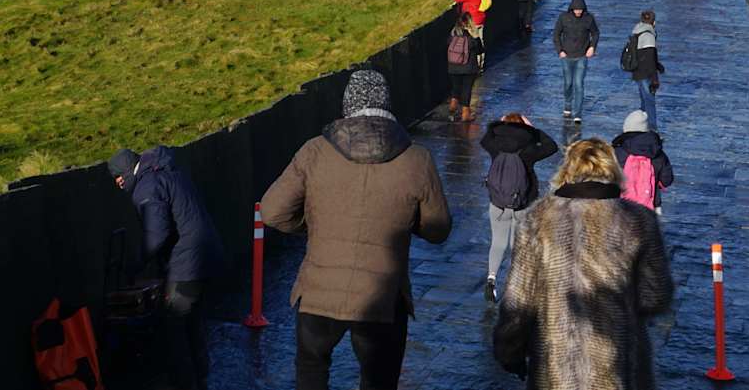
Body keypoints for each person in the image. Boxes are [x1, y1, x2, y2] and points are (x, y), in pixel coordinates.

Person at [260, 70, 451, 390]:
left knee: (311, 371)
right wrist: (405, 220)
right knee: (378, 380)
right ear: (387, 106)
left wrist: (314, 225)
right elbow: (438, 229)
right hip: (383, 299)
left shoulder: (315, 151)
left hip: (319, 292)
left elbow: (271, 211)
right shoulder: (417, 159)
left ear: (347, 106)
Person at [492, 138, 673, 389]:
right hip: (616, 364)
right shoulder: (638, 220)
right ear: (611, 171)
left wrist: (509, 351)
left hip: (555, 368)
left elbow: (519, 302)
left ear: (568, 171)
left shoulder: (537, 219)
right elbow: (655, 297)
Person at [108, 146, 226, 390]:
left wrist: (136, 265)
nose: (118, 183)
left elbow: (157, 234)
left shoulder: (147, 188)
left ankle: (186, 383)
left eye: (118, 176)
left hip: (187, 265)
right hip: (206, 257)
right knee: (192, 325)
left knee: (174, 331)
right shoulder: (170, 172)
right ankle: (202, 378)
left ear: (128, 170)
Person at [481, 113, 559, 301]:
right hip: (523, 201)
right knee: (518, 243)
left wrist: (497, 125)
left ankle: (491, 279)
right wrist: (533, 130)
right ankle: (516, 283)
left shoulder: (495, 146)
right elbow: (552, 146)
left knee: (498, 242)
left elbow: (485, 138)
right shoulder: (528, 149)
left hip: (498, 201)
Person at [612, 112, 674, 216]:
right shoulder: (658, 154)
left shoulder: (617, 152)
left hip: (621, 205)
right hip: (651, 206)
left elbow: (607, 177)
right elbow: (666, 180)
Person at [552, 0, 598, 124]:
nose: (579, 12)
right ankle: (567, 105)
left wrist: (592, 47)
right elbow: (556, 34)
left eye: (581, 10)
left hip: (582, 56)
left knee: (579, 84)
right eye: (576, 10)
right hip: (566, 56)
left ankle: (577, 114)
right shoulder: (563, 18)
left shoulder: (589, 18)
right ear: (572, 9)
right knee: (568, 83)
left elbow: (595, 33)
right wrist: (560, 50)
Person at [446, 12, 483, 122]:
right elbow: (480, 50)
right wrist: (476, 36)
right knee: (466, 90)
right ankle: (465, 114)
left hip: (453, 67)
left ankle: (452, 109)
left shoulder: (452, 35)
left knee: (456, 88)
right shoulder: (471, 37)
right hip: (468, 68)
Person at [628, 11, 663, 121]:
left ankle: (642, 125)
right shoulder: (648, 36)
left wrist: (658, 65)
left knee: (644, 100)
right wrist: (654, 78)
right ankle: (652, 129)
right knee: (649, 102)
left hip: (637, 71)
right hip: (646, 72)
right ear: (654, 22)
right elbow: (649, 59)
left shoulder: (637, 30)